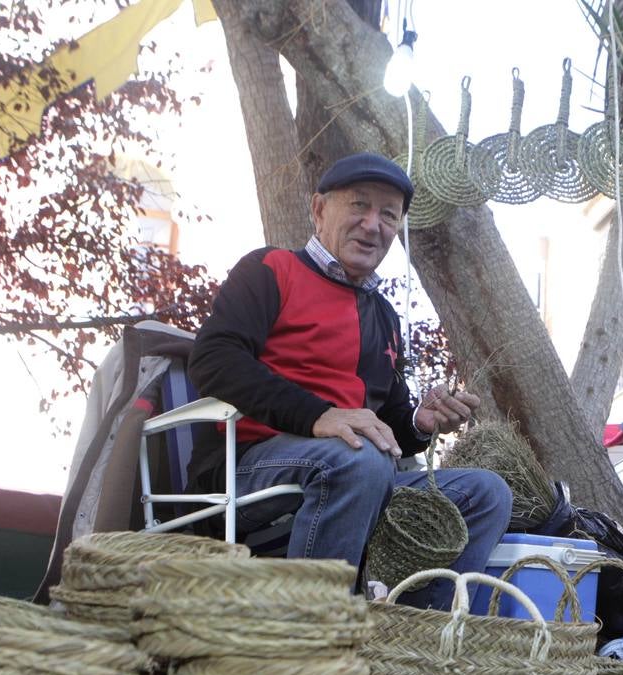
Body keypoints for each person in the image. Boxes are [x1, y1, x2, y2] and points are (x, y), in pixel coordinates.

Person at [187, 152, 512, 610]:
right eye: (359, 206)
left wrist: (420, 420)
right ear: (320, 210)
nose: (372, 224)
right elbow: (213, 360)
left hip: (354, 469)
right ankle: (314, 636)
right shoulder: (272, 270)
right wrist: (319, 415)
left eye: (388, 215)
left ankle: (417, 643)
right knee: (359, 458)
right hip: (248, 469)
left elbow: (391, 421)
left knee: (487, 493)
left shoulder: (383, 315)